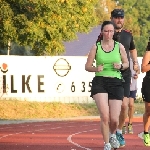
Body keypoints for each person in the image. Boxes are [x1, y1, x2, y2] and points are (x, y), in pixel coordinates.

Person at [85, 21, 129, 150]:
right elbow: (87, 66)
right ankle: (107, 144)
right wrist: (96, 69)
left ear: (114, 32)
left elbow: (126, 63)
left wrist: (120, 66)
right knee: (105, 116)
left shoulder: (119, 46)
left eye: (111, 31)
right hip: (100, 82)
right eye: (106, 31)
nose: (109, 33)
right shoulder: (96, 47)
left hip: (116, 82)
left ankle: (112, 135)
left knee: (114, 119)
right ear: (102, 32)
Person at [110, 9, 139, 147]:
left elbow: (132, 50)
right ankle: (110, 134)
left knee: (124, 105)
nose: (119, 20)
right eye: (116, 17)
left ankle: (119, 132)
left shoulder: (128, 35)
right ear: (112, 19)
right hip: (110, 74)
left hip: (126, 74)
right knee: (111, 108)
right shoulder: (106, 34)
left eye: (121, 17)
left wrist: (136, 63)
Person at [122, 58, 140, 134]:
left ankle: (130, 123)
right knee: (124, 106)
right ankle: (122, 124)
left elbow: (138, 70)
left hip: (132, 86)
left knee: (131, 105)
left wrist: (136, 74)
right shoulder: (121, 57)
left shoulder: (134, 59)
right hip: (124, 85)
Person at [141, 39, 150, 146]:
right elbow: (143, 68)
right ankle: (146, 132)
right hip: (149, 83)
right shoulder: (149, 53)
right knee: (148, 110)